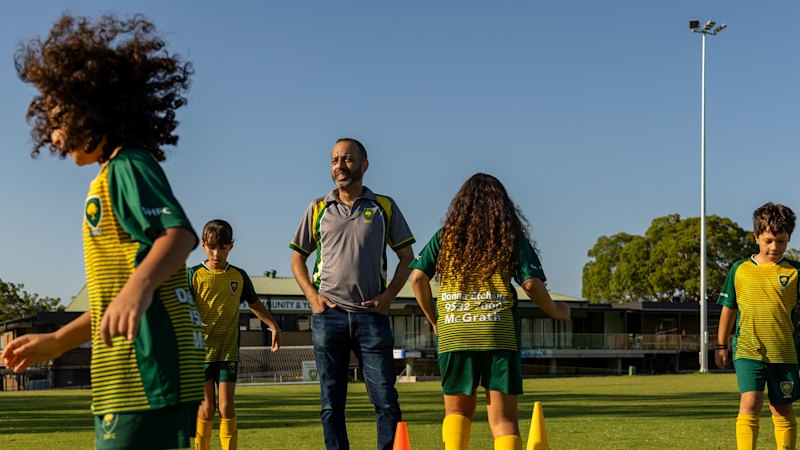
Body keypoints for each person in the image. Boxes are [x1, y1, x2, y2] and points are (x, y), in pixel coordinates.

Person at [1, 13, 205, 450]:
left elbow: (179, 235)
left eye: (58, 119)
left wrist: (138, 288)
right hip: (129, 374)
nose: (53, 137)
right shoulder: (111, 175)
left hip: (145, 372)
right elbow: (115, 303)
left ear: (92, 109)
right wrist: (59, 340)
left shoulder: (128, 166)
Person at [409, 173, 570, 450]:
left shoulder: (445, 236)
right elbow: (530, 284)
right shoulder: (509, 236)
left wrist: (435, 319)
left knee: (457, 412)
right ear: (502, 206)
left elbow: (417, 279)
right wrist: (556, 310)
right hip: (498, 332)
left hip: (455, 331)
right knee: (503, 420)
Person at [289, 138, 415, 450]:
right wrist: (312, 296)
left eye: (347, 159)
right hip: (328, 318)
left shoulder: (383, 206)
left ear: (364, 165)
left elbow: (407, 257)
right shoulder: (318, 208)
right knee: (331, 404)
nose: (340, 166)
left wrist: (388, 297)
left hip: (372, 317)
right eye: (334, 160)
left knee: (386, 400)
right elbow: (296, 258)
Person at [189, 219, 281, 450]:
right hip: (198, 352)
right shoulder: (192, 275)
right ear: (203, 245)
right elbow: (176, 307)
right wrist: (192, 321)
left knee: (226, 408)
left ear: (231, 246)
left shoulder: (238, 277)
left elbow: (254, 304)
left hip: (228, 350)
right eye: (211, 247)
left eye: (222, 247)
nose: (216, 253)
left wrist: (273, 326)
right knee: (207, 409)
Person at [716, 202, 800, 450]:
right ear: (756, 238)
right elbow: (728, 309)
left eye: (781, 241)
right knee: (750, 403)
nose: (774, 247)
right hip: (748, 350)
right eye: (768, 240)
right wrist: (721, 344)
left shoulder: (795, 272)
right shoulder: (739, 270)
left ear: (789, 239)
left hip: (784, 352)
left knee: (782, 408)